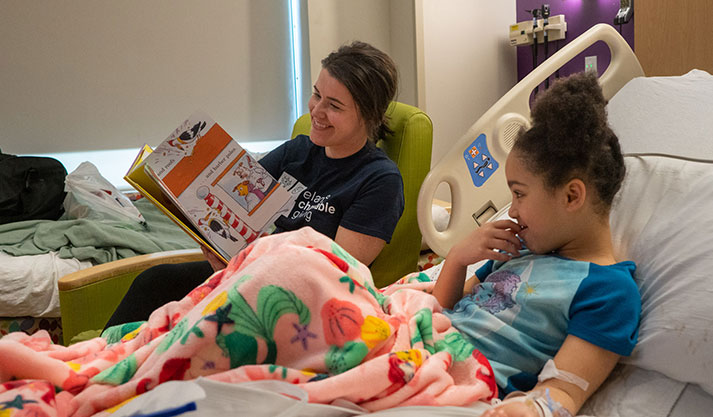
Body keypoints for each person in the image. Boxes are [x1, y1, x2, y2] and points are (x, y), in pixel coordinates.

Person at [105, 41, 405, 328]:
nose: (316, 111)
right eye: (317, 95)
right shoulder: (297, 152)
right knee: (154, 282)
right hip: (249, 274)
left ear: (369, 115)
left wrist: (239, 273)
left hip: (293, 300)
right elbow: (232, 197)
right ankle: (97, 368)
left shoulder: (379, 180)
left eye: (334, 106)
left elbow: (336, 277)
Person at [431, 72, 641, 416]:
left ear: (572, 195)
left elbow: (564, 390)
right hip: (421, 342)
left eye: (519, 194)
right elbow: (442, 310)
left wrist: (529, 409)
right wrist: (456, 258)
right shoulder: (518, 248)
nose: (511, 210)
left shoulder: (609, 292)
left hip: (458, 379)